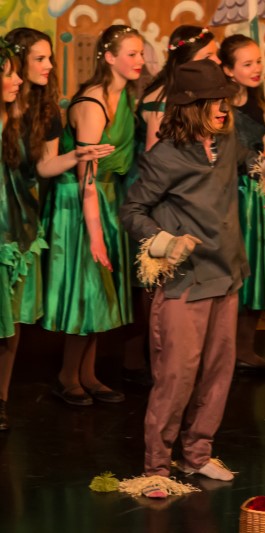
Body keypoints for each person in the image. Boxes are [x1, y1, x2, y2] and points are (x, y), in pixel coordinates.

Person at [121, 59, 253, 483]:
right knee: (176, 377)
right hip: (186, 282)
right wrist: (164, 241)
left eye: (224, 100)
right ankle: (157, 467)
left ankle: (197, 454)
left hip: (226, 274)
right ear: (192, 106)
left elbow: (245, 159)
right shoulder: (165, 157)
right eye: (214, 101)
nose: (223, 108)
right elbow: (132, 210)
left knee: (217, 373)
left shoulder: (226, 140)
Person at [0, 29, 113, 426]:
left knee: (10, 320)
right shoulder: (8, 107)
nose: (49, 65)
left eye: (50, 58)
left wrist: (77, 156)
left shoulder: (44, 110)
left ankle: (2, 399)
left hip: (18, 215)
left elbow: (45, 166)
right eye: (40, 58)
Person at [40, 25, 143, 406]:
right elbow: (86, 176)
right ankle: (67, 376)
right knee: (87, 288)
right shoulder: (93, 103)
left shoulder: (124, 97)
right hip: (82, 203)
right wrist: (95, 234)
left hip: (108, 197)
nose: (139, 60)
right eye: (131, 54)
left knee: (101, 290)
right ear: (109, 57)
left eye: (141, 53)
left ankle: (88, 374)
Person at [122, 25, 221, 387]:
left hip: (175, 191)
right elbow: (156, 155)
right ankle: (156, 357)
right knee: (158, 275)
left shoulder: (185, 93)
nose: (216, 62)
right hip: (160, 195)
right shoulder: (164, 96)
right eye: (209, 56)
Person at [219, 34, 265, 376]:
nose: (257, 68)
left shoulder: (254, 98)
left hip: (256, 192)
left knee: (258, 269)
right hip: (232, 194)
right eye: (247, 64)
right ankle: (223, 353)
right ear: (228, 70)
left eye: (258, 61)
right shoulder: (220, 104)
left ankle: (245, 349)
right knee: (233, 273)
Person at [0, 37, 26, 431]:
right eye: (9, 74)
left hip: (11, 230)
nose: (19, 80)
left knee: (9, 322)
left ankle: (1, 398)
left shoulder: (13, 121)